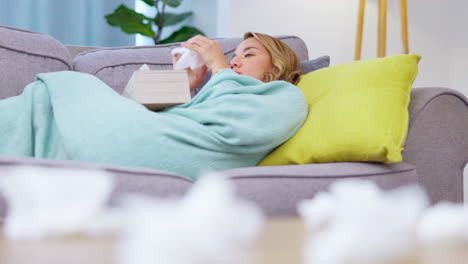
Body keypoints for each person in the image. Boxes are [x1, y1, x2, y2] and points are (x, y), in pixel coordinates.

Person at [0, 32, 308, 180]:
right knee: (44, 105)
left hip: (158, 147)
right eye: (235, 54)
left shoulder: (284, 96)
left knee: (66, 91)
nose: (236, 59)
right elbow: (134, 113)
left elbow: (230, 132)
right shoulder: (218, 90)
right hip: (140, 133)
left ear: (275, 67)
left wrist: (220, 68)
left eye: (249, 54)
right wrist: (181, 83)